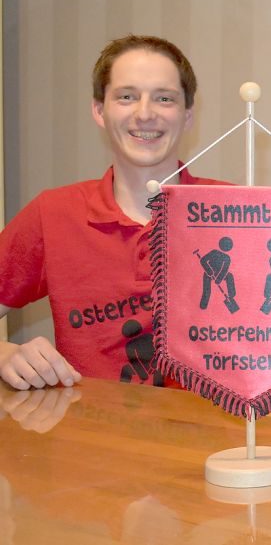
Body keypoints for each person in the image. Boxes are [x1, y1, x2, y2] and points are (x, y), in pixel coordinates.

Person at [0, 35, 228, 390]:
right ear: (99, 110)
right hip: (91, 439)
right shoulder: (54, 214)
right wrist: (3, 354)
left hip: (213, 440)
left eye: (164, 98)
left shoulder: (235, 210)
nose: (145, 113)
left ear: (187, 116)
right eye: (126, 96)